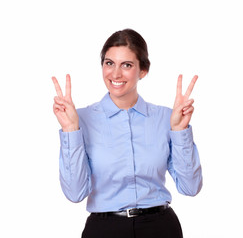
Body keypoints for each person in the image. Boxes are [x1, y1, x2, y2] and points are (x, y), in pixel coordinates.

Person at [52, 29, 202, 238]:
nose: (115, 74)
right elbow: (75, 193)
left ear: (143, 71)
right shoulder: (80, 119)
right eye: (109, 63)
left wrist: (180, 131)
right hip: (104, 230)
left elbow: (190, 187)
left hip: (160, 228)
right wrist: (70, 131)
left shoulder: (167, 118)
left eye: (127, 65)